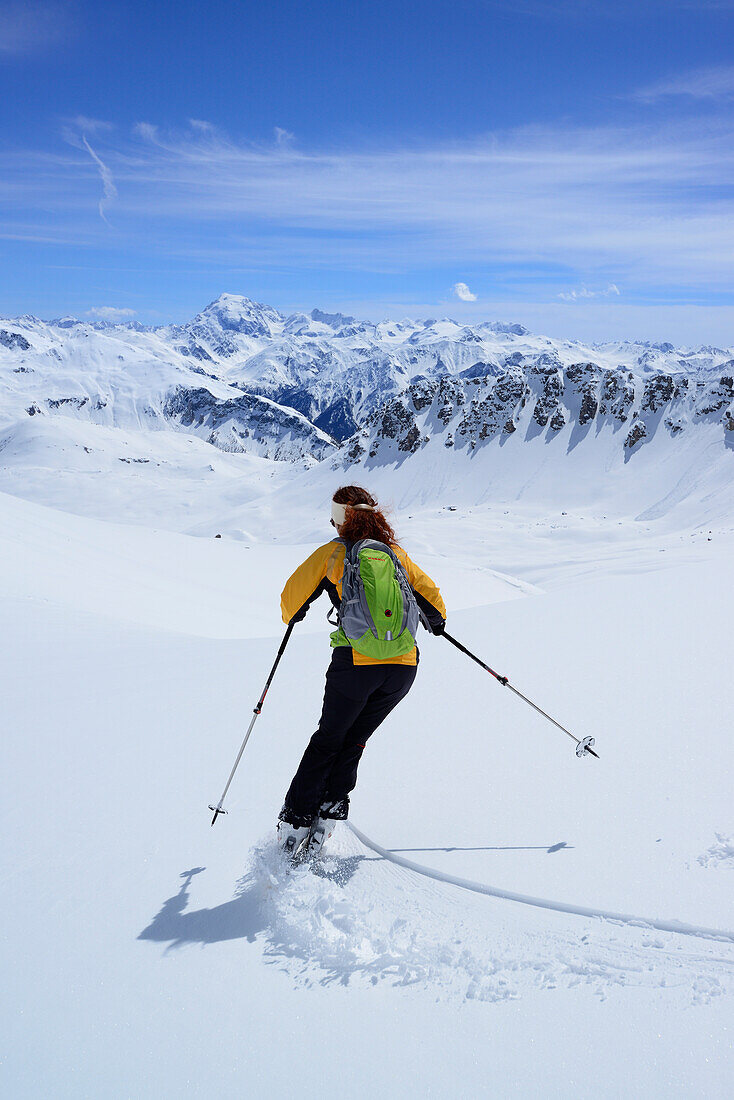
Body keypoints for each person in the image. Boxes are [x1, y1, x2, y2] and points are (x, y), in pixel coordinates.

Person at [277, 484, 446, 856]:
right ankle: (331, 810)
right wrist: (434, 623)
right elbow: (435, 607)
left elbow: (291, 599)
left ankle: (296, 819)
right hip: (403, 668)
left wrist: (296, 613)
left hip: (355, 665)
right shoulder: (396, 555)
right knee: (354, 739)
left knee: (327, 740)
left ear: (340, 519)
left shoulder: (334, 554)